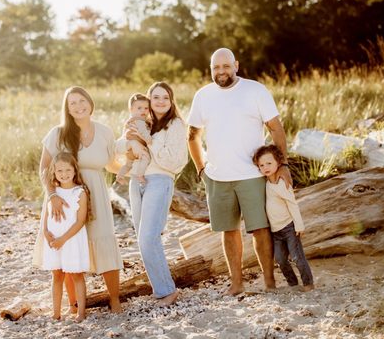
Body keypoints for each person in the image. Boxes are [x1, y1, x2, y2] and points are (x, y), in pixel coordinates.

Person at [187, 48, 292, 295]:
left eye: (225, 66)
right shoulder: (203, 96)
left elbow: (276, 129)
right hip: (218, 177)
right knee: (229, 230)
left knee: (260, 229)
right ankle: (237, 283)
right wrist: (201, 168)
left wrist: (282, 164)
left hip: (252, 175)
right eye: (216, 67)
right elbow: (192, 136)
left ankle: (269, 281)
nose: (221, 71)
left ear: (236, 65)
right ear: (210, 69)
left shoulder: (255, 90)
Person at [33, 86, 124, 313]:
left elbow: (111, 164)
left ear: (90, 103)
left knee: (103, 241)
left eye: (82, 100)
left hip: (96, 195)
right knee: (67, 246)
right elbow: (44, 168)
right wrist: (52, 195)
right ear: (67, 108)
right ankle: (74, 305)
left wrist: (130, 168)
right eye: (72, 103)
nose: (78, 106)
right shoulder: (58, 133)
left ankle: (115, 300)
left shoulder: (104, 132)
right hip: (62, 198)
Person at [116, 82, 188, 306]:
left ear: (171, 100)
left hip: (159, 180)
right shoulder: (141, 120)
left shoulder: (175, 125)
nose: (160, 102)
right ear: (148, 100)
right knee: (142, 239)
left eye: (165, 97)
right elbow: (119, 149)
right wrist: (129, 139)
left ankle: (167, 291)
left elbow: (175, 162)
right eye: (155, 97)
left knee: (149, 237)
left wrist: (149, 141)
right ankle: (162, 288)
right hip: (136, 183)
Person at [253, 145, 314, 292]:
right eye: (261, 165)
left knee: (297, 257)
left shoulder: (282, 183)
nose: (265, 167)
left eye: (269, 163)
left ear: (278, 163)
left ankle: (308, 284)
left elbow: (292, 204)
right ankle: (293, 284)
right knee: (280, 260)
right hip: (276, 232)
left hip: (289, 227)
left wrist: (299, 225)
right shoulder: (265, 183)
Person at [42, 152, 91, 321]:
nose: (64, 174)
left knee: (77, 275)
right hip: (54, 240)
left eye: (68, 170)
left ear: (74, 170)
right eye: (60, 171)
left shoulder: (80, 192)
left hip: (72, 240)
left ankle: (81, 312)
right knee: (57, 276)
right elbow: (46, 215)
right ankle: (56, 313)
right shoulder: (53, 193)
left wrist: (63, 239)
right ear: (54, 173)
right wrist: (45, 233)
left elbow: (80, 221)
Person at [116, 93, 152, 185]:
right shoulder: (140, 121)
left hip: (130, 150)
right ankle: (140, 175)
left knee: (128, 165)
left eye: (146, 108)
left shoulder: (129, 121)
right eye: (139, 108)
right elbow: (144, 133)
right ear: (131, 110)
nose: (143, 111)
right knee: (146, 158)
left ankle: (119, 176)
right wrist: (150, 140)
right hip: (137, 149)